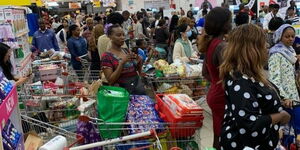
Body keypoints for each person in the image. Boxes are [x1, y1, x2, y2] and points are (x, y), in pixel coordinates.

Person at [219, 24, 291, 150]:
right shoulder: (239, 80)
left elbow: (256, 103)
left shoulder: (251, 75)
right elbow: (249, 123)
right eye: (263, 43)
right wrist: (280, 116)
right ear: (251, 49)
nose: (267, 46)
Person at [198, 7, 232, 149]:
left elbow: (205, 72)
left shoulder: (211, 43)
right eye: (230, 21)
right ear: (223, 24)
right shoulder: (222, 46)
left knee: (218, 131)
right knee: (225, 133)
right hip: (222, 96)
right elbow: (231, 75)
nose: (232, 24)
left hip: (214, 93)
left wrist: (216, 82)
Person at [101, 25, 146, 95]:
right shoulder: (106, 56)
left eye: (123, 35)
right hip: (121, 94)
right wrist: (122, 63)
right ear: (109, 36)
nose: (122, 37)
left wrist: (138, 61)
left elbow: (136, 71)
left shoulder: (126, 51)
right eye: (118, 35)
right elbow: (110, 80)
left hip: (136, 90)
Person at [269, 24, 299, 108]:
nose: (291, 39)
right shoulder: (276, 54)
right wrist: (284, 97)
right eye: (287, 36)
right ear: (280, 37)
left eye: (293, 36)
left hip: (294, 97)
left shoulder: (291, 52)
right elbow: (274, 79)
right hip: (286, 101)